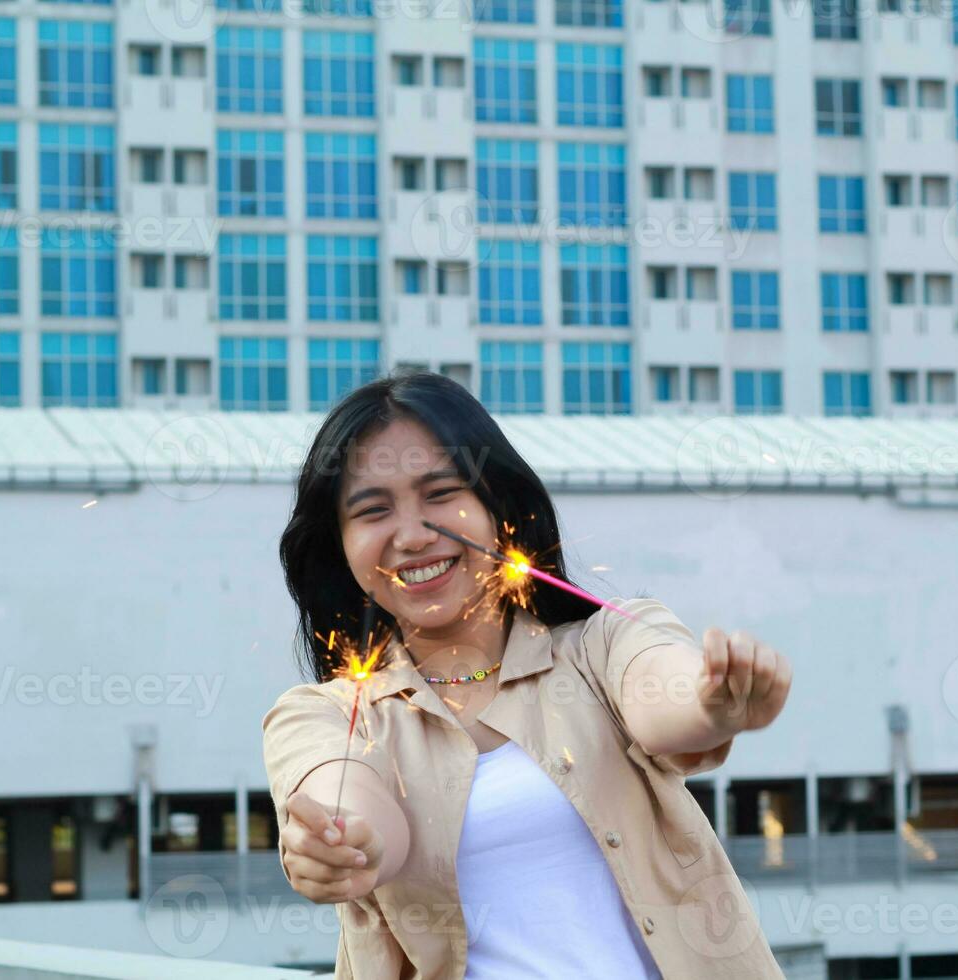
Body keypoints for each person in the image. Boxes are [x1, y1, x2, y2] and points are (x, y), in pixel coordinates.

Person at [263, 371, 793, 979]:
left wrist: (712, 702)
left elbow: (664, 694)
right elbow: (350, 800)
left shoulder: (603, 644)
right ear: (340, 545)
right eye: (373, 510)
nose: (411, 536)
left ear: (499, 507)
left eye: (440, 493)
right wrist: (341, 842)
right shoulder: (325, 712)